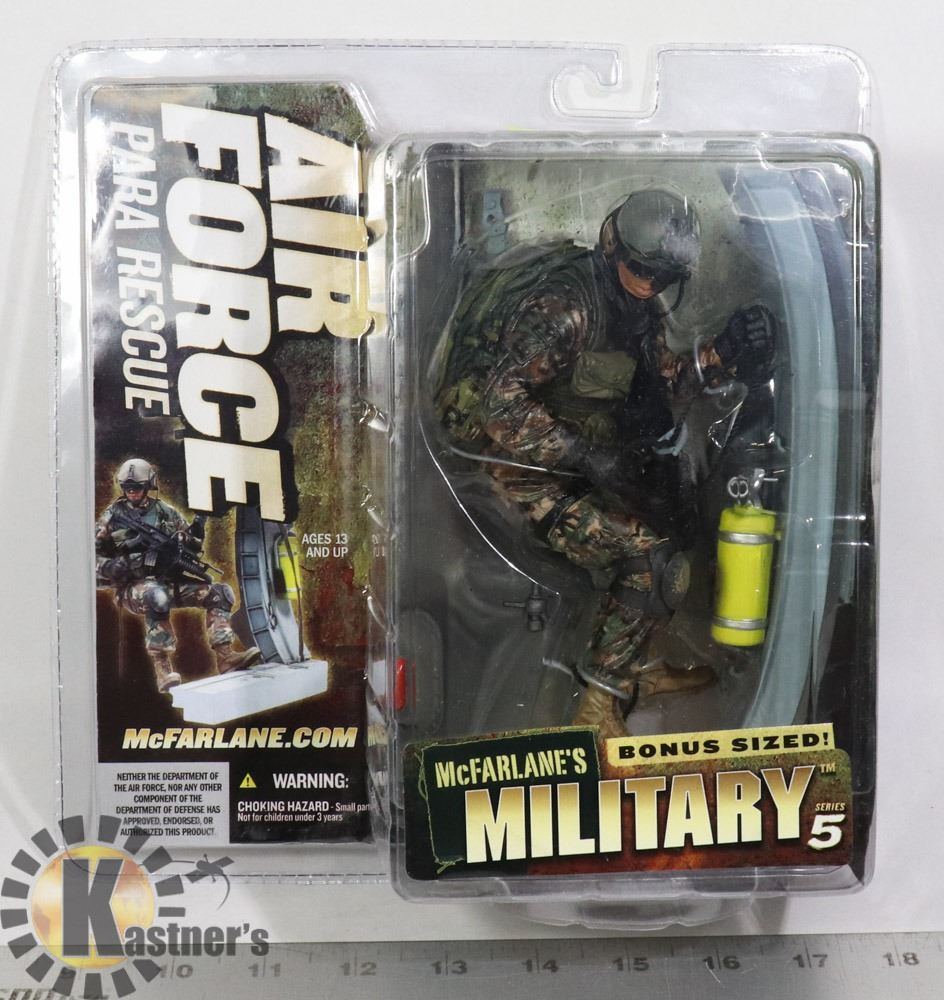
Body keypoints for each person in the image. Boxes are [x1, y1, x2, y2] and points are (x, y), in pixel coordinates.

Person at [436, 189, 775, 738]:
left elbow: (659, 388)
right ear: (613, 247)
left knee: (676, 518)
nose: (650, 285)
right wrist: (583, 454)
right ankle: (597, 706)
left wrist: (719, 355)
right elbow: (496, 404)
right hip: (503, 464)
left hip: (568, 457)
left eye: (663, 276)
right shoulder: (567, 309)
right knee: (650, 558)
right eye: (642, 271)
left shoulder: (636, 309)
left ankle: (628, 662)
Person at [95, 458, 262, 693]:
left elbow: (191, 544)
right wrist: (112, 567)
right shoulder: (112, 517)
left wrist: (195, 531)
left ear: (148, 485)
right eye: (127, 487)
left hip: (168, 580)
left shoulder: (165, 512)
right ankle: (162, 669)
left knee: (219, 593)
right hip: (134, 588)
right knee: (157, 596)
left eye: (137, 487)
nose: (132, 492)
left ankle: (226, 657)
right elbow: (90, 557)